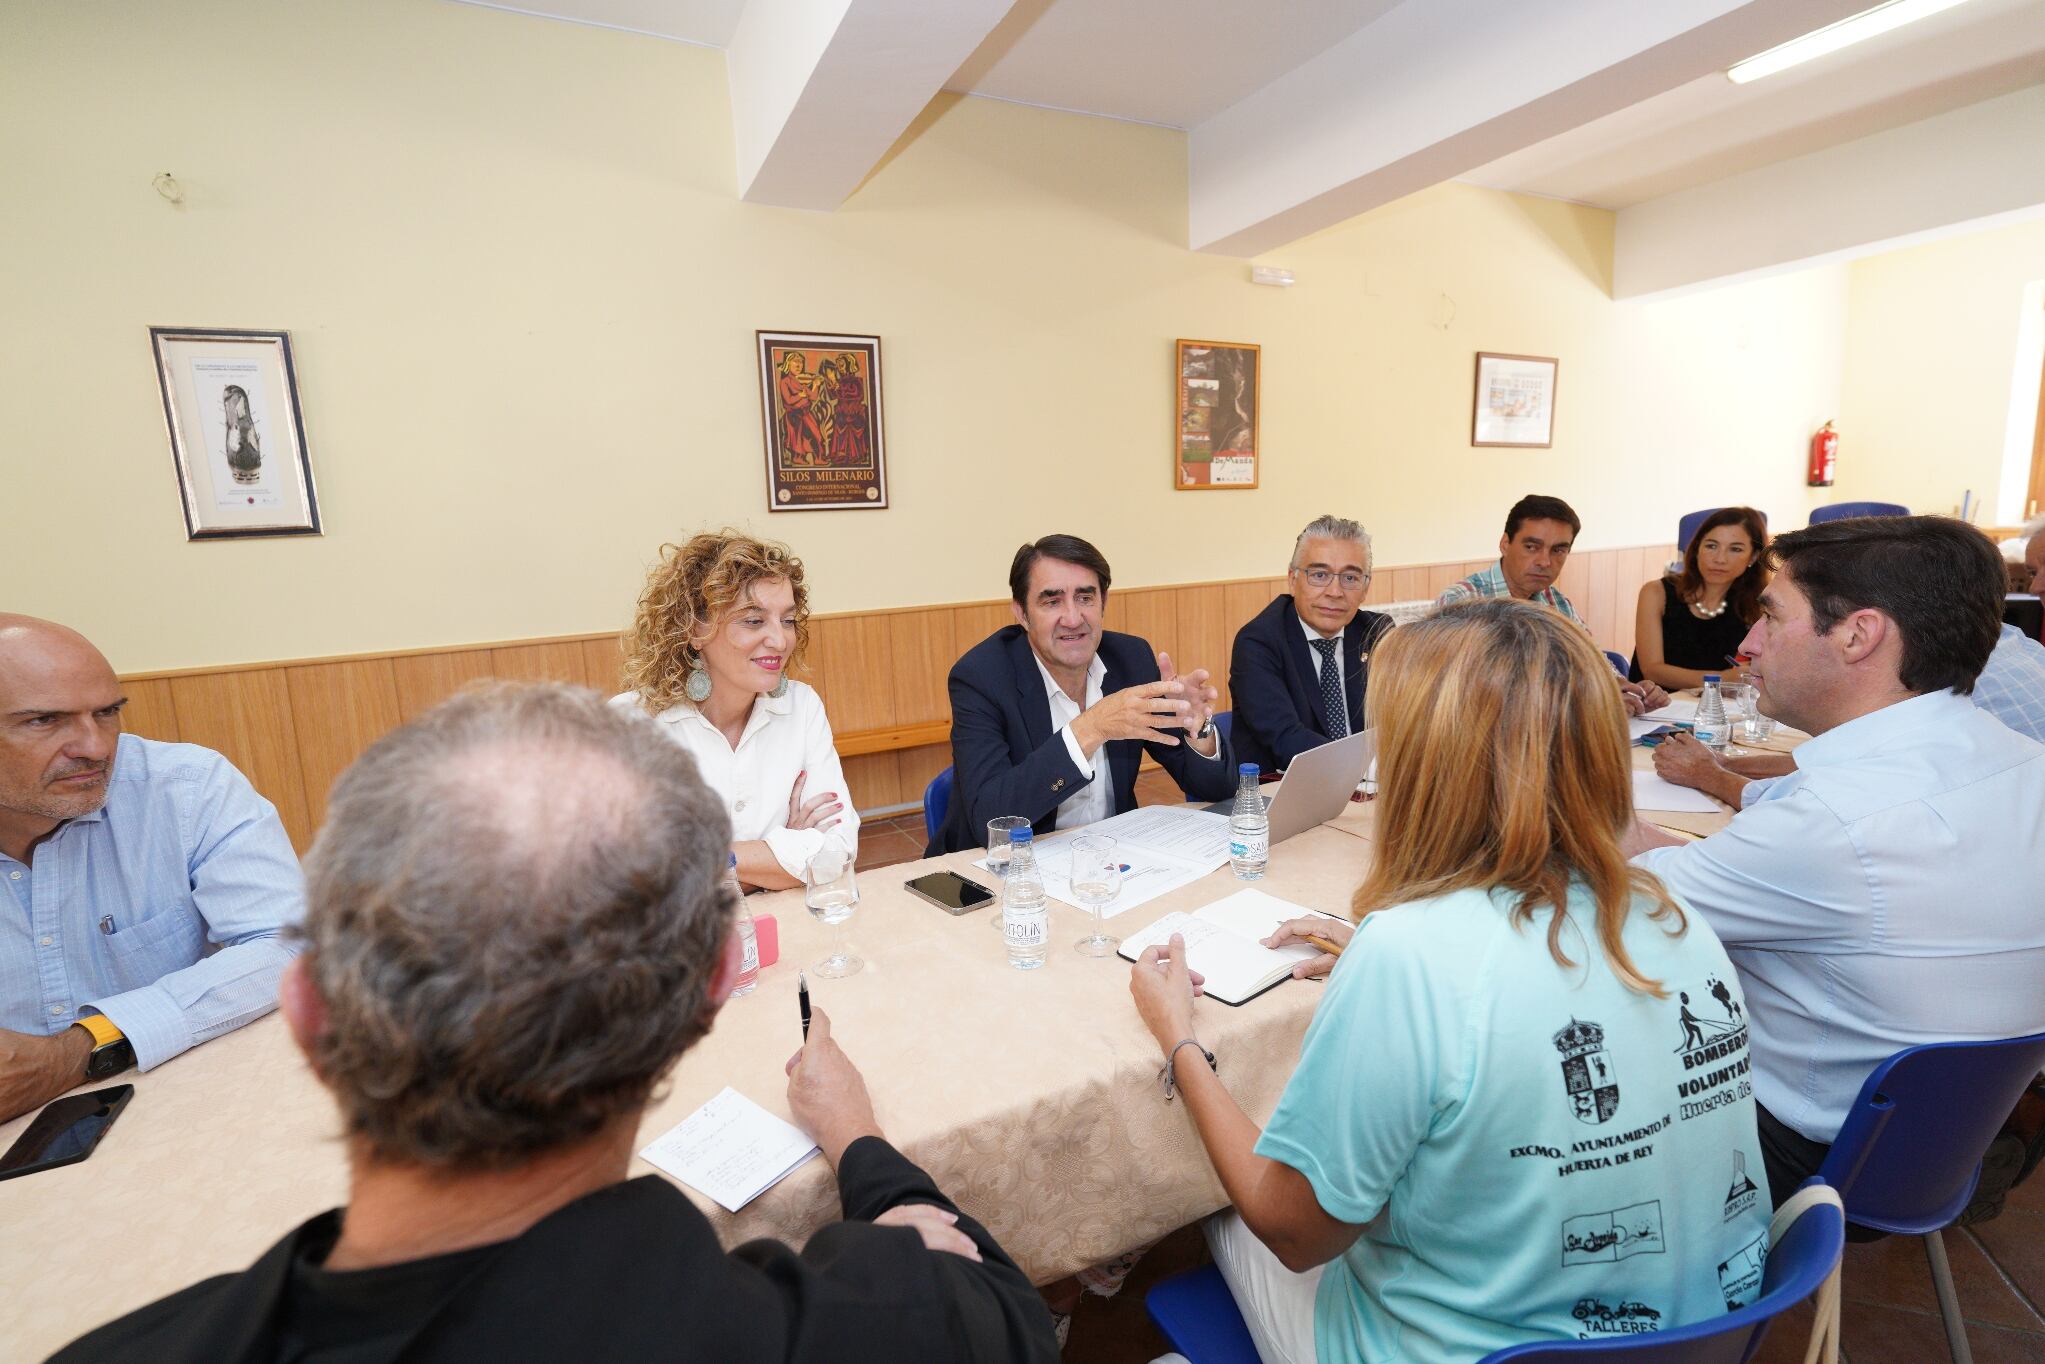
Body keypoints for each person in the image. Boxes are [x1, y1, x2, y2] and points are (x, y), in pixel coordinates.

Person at [53, 684, 1058, 1364]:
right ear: (713, 984)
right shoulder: (892, 1314)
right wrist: (872, 1167)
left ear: (308, 1012)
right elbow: (1011, 1320)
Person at [1129, 600, 1768, 1364]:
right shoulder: (1670, 913)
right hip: (1698, 1335)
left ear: (1428, 764)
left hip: (1472, 1347)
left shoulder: (1411, 957)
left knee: (1217, 1200)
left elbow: (1293, 1233)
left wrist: (1180, 1043)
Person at [1630, 517, 2045, 1206]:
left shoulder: (1831, 825)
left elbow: (1624, 903)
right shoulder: (2018, 760)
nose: (1747, 643)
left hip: (1809, 1158)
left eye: (1770, 616)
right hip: (1951, 1136)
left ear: (1857, 634)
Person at [0, 615, 301, 1124]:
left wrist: (84, 1047)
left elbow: (290, 943)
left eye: (107, 712)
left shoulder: (185, 788)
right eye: (44, 721)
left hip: (182, 1107)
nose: (96, 747)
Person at [928, 535, 1234, 855]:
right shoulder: (982, 677)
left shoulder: (1130, 659)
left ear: (1104, 602)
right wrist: (1091, 728)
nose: (1073, 619)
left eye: (1085, 598)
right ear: (1021, 613)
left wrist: (1197, 728)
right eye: (1052, 601)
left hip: (1109, 861)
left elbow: (1216, 792)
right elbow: (991, 820)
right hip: (1008, 866)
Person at [615, 530, 856, 891]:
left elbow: (837, 853)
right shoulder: (628, 725)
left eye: (788, 620)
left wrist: (701, 855)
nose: (780, 640)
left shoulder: (802, 706)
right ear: (695, 630)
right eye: (753, 620)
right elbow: (635, 881)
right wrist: (784, 853)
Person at [1228, 515, 1395, 776]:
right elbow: (1285, 738)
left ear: (1365, 588)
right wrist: (1367, 770)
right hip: (1283, 792)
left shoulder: (1376, 634)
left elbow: (1402, 721)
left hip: (1370, 790)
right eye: (1319, 575)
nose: (1335, 592)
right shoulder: (1258, 642)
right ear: (1293, 579)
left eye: (1350, 578)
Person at [1631, 506, 1768, 690]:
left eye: (1735, 549)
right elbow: (1652, 670)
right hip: (1655, 708)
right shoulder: (1656, 592)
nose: (1720, 559)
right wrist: (1721, 678)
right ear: (1696, 550)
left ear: (1753, 557)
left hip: (1719, 710)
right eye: (1711, 546)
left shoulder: (1759, 606)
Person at [1436, 493, 1585, 626]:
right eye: (1531, 547)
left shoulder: (1559, 604)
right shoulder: (1460, 603)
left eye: (1558, 550)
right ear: (1505, 544)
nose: (1544, 562)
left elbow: (1591, 656)